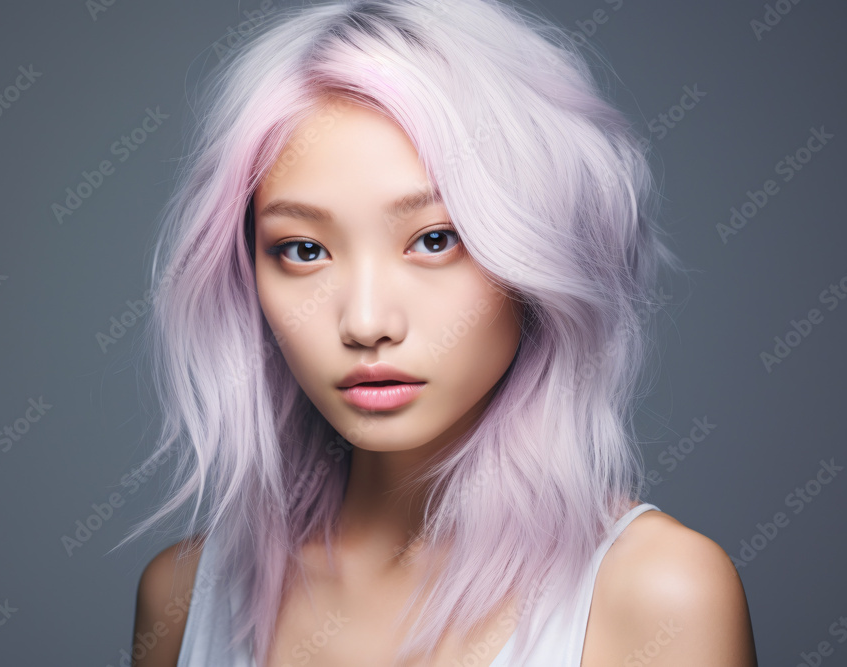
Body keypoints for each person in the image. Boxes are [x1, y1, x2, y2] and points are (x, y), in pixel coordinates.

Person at [123, 1, 758, 665]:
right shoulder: (183, 598)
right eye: (304, 250)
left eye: (434, 239)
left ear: (537, 252)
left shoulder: (659, 596)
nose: (366, 322)